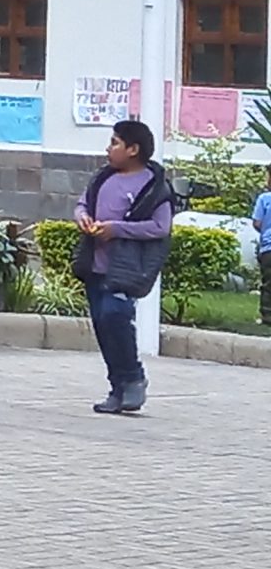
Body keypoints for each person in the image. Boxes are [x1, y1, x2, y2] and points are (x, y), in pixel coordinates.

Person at [75, 118, 177, 416]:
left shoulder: (154, 187)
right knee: (103, 325)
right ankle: (117, 387)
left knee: (115, 316)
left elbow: (160, 227)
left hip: (125, 269)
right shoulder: (102, 179)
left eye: (115, 143)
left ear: (133, 149)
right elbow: (83, 203)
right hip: (96, 265)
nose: (109, 149)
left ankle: (133, 379)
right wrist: (83, 217)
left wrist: (116, 229)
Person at [253, 167, 271, 327]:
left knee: (267, 282)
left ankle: (267, 316)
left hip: (268, 248)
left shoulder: (264, 199)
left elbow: (257, 222)